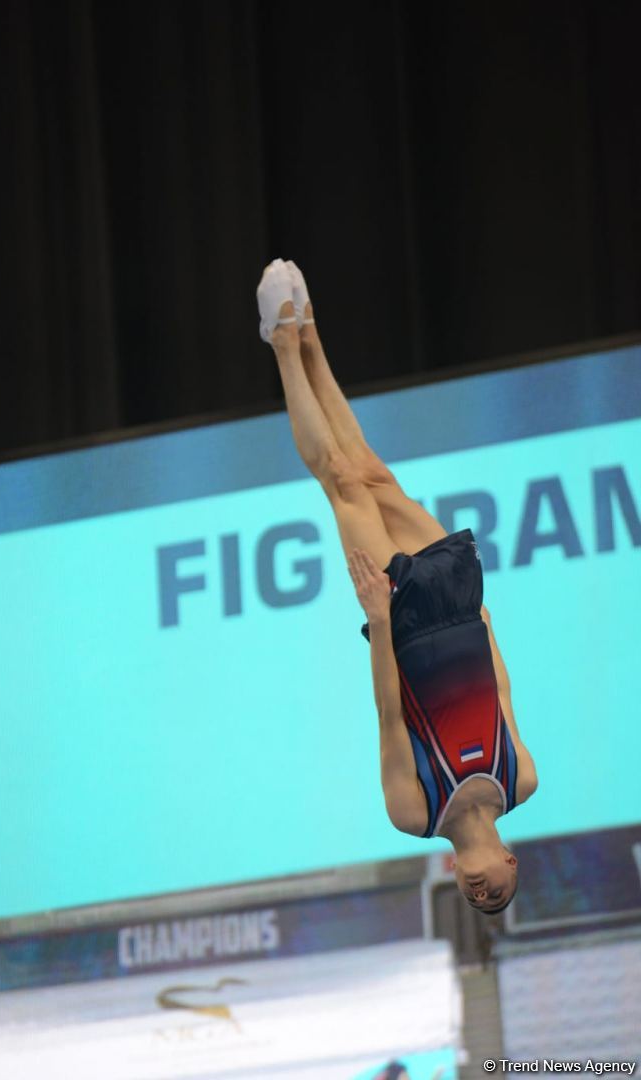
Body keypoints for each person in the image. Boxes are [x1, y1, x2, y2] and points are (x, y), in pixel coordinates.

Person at [256, 259, 538, 914]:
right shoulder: (518, 778)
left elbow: (389, 716)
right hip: (460, 609)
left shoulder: (414, 812)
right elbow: (499, 688)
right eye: (497, 892)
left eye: (477, 902)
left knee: (342, 482)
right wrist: (482, 614)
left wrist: (379, 621)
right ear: (508, 859)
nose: (482, 893)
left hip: (404, 622)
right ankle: (312, 333)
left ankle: (282, 344)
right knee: (375, 476)